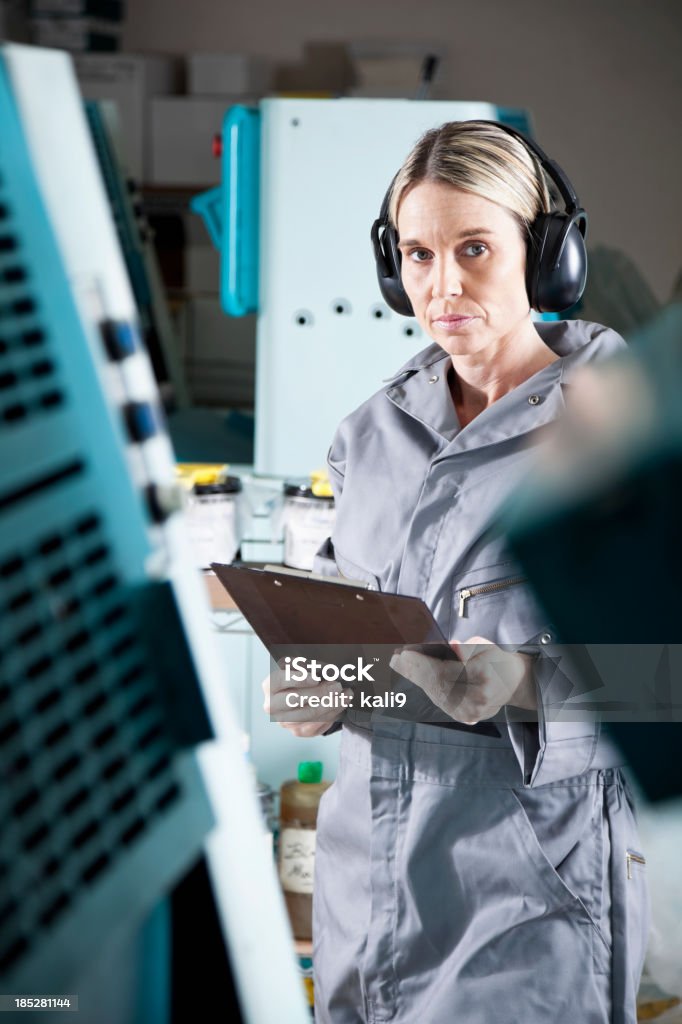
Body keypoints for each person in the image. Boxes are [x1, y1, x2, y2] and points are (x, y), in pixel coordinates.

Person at [263, 121, 650, 1023]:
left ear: (548, 257)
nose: (443, 285)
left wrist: (521, 688)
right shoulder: (369, 434)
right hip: (363, 893)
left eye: (475, 248)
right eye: (419, 254)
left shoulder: (622, 435)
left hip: (524, 904)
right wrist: (309, 679)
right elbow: (329, 615)